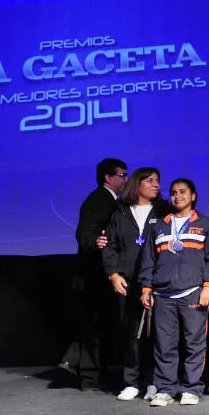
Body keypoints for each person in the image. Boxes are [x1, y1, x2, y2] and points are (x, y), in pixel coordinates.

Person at [139, 179, 209, 406]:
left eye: (183, 192)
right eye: (174, 193)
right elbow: (148, 260)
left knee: (194, 343)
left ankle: (192, 388)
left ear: (193, 196)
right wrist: (147, 287)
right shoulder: (159, 226)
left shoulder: (205, 224)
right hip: (163, 295)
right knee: (164, 344)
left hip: (193, 292)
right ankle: (165, 388)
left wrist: (208, 286)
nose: (177, 196)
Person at [102, 167, 171, 401]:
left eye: (158, 181)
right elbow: (110, 245)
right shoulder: (120, 211)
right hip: (128, 282)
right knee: (130, 333)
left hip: (158, 283)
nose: (156, 185)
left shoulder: (165, 211)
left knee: (158, 334)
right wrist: (112, 273)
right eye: (150, 180)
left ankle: (154, 381)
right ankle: (131, 381)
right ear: (137, 184)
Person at [60, 158, 128, 391]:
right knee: (94, 326)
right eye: (122, 175)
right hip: (93, 275)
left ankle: (85, 367)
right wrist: (95, 242)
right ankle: (87, 375)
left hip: (102, 274)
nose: (126, 179)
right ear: (108, 178)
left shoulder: (111, 200)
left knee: (102, 325)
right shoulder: (98, 199)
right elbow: (84, 232)